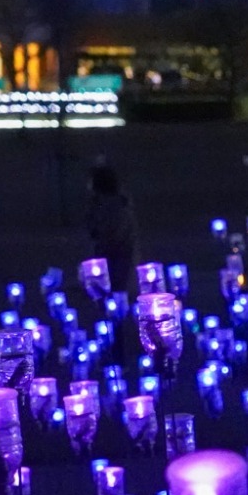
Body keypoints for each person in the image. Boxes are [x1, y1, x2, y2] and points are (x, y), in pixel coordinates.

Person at [85, 156, 140, 364]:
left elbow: (108, 235)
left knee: (113, 310)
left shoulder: (112, 205)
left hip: (114, 263)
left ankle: (117, 356)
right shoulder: (115, 202)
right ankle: (112, 352)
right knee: (110, 311)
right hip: (114, 262)